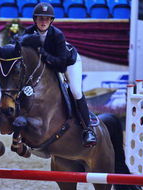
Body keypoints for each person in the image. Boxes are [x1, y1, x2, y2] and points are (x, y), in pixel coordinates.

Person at [22, 2, 97, 147]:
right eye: (40, 18)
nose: (43, 21)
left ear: (51, 21)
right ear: (35, 19)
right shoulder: (28, 33)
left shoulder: (57, 35)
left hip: (69, 62)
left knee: (75, 90)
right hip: (49, 63)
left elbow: (61, 65)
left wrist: (43, 55)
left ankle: (88, 130)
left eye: (47, 19)